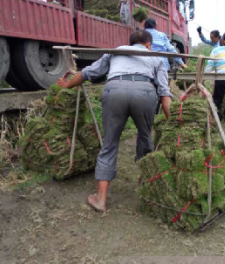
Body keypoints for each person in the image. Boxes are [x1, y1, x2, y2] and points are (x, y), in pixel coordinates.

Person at [57, 30, 172, 211]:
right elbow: (165, 94)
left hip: (114, 90)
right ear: (148, 45)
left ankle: (101, 200)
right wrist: (174, 122)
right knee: (145, 137)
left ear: (130, 43)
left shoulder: (116, 51)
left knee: (109, 143)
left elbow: (89, 72)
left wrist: (67, 84)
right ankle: (146, 184)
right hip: (145, 91)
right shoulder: (155, 57)